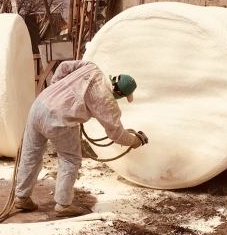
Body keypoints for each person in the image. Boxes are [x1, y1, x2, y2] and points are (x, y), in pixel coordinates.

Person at [15, 60, 143, 217]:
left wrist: (56, 89)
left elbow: (63, 67)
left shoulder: (92, 67)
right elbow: (116, 134)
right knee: (70, 159)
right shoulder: (107, 102)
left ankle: (22, 197)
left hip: (39, 106)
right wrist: (134, 141)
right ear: (120, 94)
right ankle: (63, 205)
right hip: (59, 120)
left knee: (31, 154)